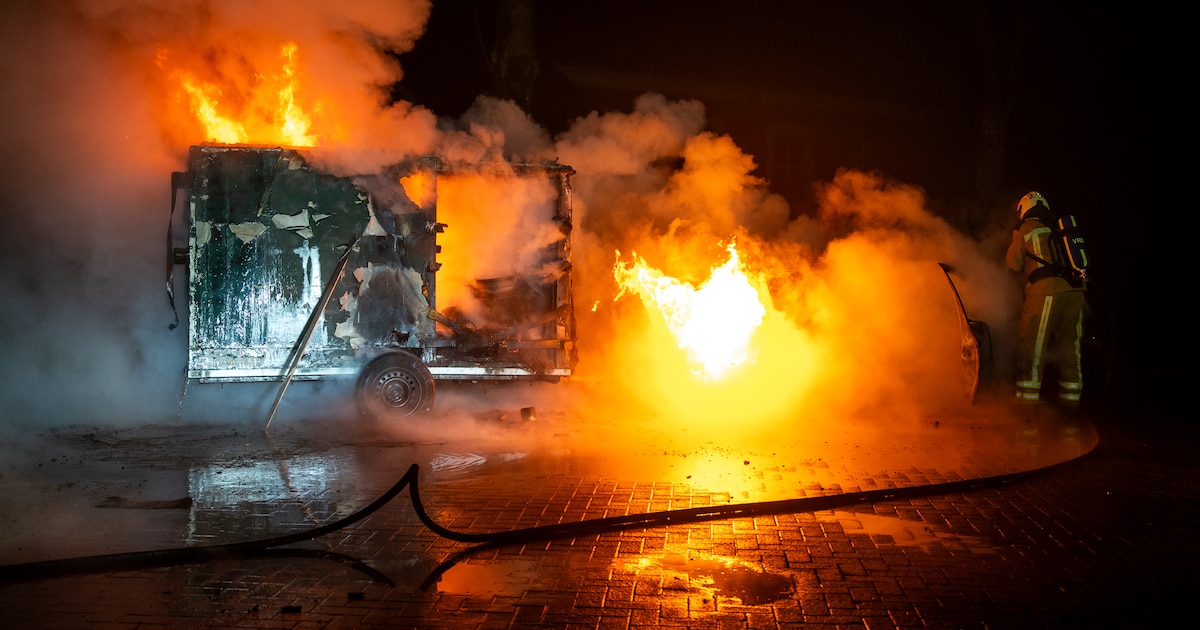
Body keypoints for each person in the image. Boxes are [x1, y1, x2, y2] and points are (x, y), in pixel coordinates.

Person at [1005, 191, 1086, 410]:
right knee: (1070, 346)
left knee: (1033, 344)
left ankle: (1027, 404)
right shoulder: (1058, 230)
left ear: (1024, 209)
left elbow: (1012, 264)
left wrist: (1015, 239)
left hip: (1045, 292)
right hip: (1075, 290)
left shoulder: (1028, 229)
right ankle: (1071, 404)